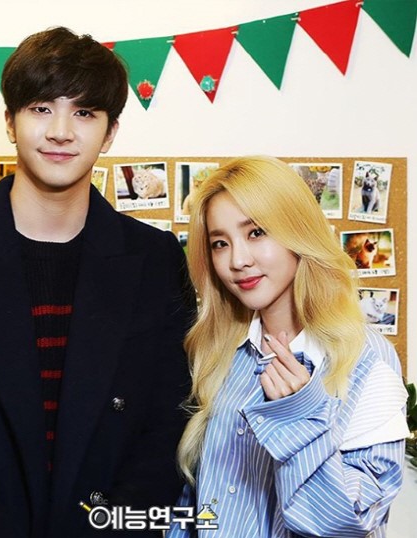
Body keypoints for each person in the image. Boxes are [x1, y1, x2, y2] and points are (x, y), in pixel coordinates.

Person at [0, 27, 195, 538]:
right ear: (10, 122)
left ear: (110, 133)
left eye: (85, 112)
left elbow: (170, 423)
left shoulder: (155, 259)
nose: (61, 131)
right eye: (42, 108)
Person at [167, 156, 409, 538]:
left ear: (298, 231)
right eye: (220, 243)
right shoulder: (219, 353)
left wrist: (298, 418)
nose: (237, 261)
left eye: (256, 232)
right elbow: (195, 503)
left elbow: (348, 524)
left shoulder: (365, 359)